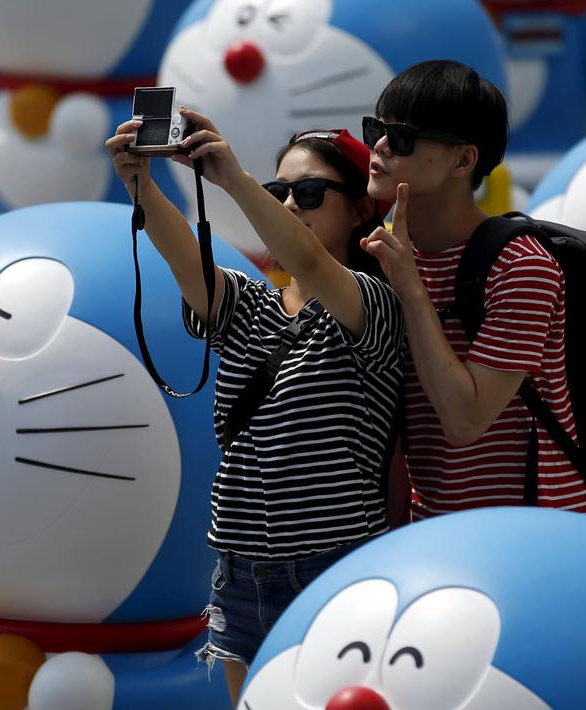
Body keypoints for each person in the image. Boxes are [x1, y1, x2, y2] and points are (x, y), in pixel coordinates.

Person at [106, 109, 404, 703]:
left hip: (333, 561)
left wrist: (235, 180)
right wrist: (139, 181)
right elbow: (185, 260)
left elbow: (315, 264)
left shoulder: (373, 301)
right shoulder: (251, 302)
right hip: (239, 567)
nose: (291, 205)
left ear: (361, 208)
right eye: (280, 192)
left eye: (311, 192)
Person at [361, 60, 586, 520]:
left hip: (528, 525)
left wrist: (412, 291)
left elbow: (465, 420)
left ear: (464, 160)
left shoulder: (522, 266)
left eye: (402, 136)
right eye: (375, 129)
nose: (381, 146)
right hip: (429, 524)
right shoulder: (383, 251)